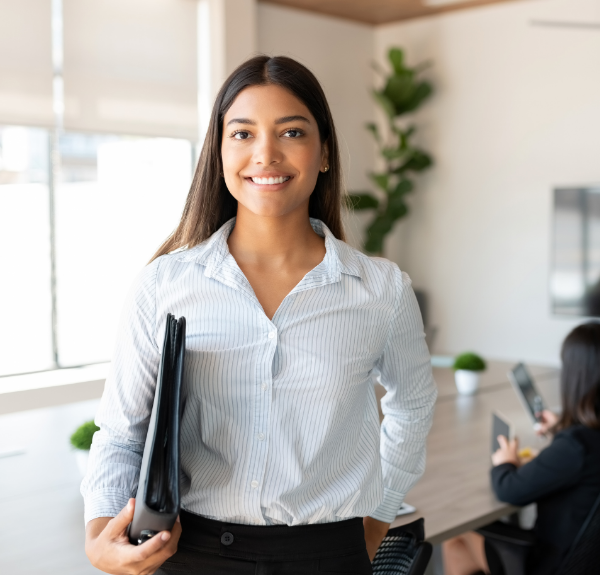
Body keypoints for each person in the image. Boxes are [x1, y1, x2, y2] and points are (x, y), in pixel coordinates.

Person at [81, 55, 437, 575]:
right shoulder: (164, 285)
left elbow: (414, 407)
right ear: (220, 153)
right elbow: (121, 433)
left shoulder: (380, 289)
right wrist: (100, 536)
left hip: (330, 556)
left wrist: (377, 520)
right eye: (242, 134)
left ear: (324, 154)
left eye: (291, 132)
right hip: (191, 555)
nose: (265, 154)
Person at [443, 322, 600, 575]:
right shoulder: (582, 440)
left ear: (576, 375)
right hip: (587, 559)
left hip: (554, 563)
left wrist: (505, 462)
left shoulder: (574, 446)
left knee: (457, 538)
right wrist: (561, 427)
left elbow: (509, 489)